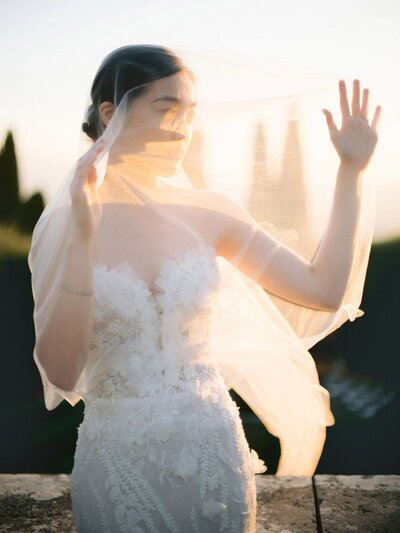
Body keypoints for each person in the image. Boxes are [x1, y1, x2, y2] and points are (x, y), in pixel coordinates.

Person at [28, 45, 380, 532]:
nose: (183, 127)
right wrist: (83, 238)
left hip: (214, 454)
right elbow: (62, 373)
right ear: (111, 112)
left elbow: (322, 289)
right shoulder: (68, 224)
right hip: (114, 462)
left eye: (189, 113)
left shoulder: (211, 212)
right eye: (166, 108)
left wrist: (350, 173)